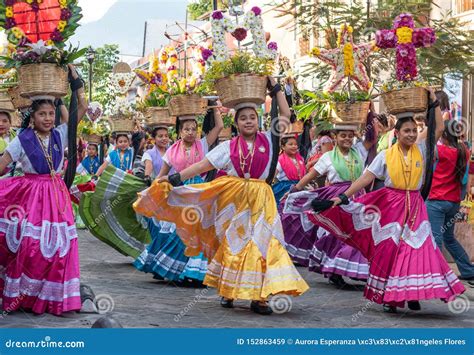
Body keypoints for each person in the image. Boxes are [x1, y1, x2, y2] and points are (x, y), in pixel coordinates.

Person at [134, 77, 309, 315]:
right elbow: (202, 166)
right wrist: (175, 179)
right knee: (235, 243)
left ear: (258, 121)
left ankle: (260, 297)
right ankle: (228, 290)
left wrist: (276, 89)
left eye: (252, 118)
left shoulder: (269, 139)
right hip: (234, 200)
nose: (248, 121)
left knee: (264, 244)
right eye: (243, 118)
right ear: (236, 123)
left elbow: (286, 115)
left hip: (262, 199)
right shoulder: (228, 147)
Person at [310, 88, 465, 313]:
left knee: (418, 250)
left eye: (414, 130)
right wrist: (342, 197)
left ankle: (411, 293)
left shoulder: (422, 148)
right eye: (407, 131)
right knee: (391, 251)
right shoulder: (385, 156)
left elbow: (438, 127)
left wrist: (433, 103)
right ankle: (390, 297)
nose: (411, 135)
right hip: (391, 207)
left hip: (416, 207)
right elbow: (366, 178)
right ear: (398, 133)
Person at [0, 65, 87, 315]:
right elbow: (3, 165)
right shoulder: (22, 139)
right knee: (30, 246)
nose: (48, 118)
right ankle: (25, 296)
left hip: (56, 196)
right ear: (33, 117)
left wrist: (76, 81)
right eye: (42, 115)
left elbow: (81, 108)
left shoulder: (61, 134)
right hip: (30, 198)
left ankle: (52, 296)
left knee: (61, 246)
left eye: (51, 114)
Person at [136, 108, 223, 285]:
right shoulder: (171, 151)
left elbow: (220, 126)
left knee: (199, 230)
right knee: (179, 231)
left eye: (194, 129)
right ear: (179, 132)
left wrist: (214, 107)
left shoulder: (204, 144)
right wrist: (152, 191)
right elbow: (162, 175)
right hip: (181, 193)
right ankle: (172, 269)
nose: (191, 132)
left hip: (200, 193)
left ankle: (195, 273)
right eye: (186, 129)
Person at [281, 123, 374, 283]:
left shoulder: (358, 152)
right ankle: (335, 271)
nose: (347, 139)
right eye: (343, 135)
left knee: (359, 232)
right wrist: (295, 189)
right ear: (335, 138)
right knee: (336, 235)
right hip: (336, 200)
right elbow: (311, 175)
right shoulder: (328, 157)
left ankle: (354, 267)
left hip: (357, 197)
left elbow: (371, 138)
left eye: (350, 136)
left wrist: (370, 113)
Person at [426, 120, 474, 286]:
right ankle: (468, 270)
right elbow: (465, 178)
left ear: (444, 135)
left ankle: (437, 275)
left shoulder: (440, 150)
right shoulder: (464, 151)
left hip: (436, 201)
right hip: (453, 203)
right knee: (449, 238)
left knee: (436, 238)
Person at [272, 134, 306, 205]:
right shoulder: (280, 160)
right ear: (283, 147)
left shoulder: (300, 159)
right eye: (290, 144)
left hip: (299, 186)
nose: (294, 146)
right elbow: (273, 175)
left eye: (295, 144)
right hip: (285, 188)